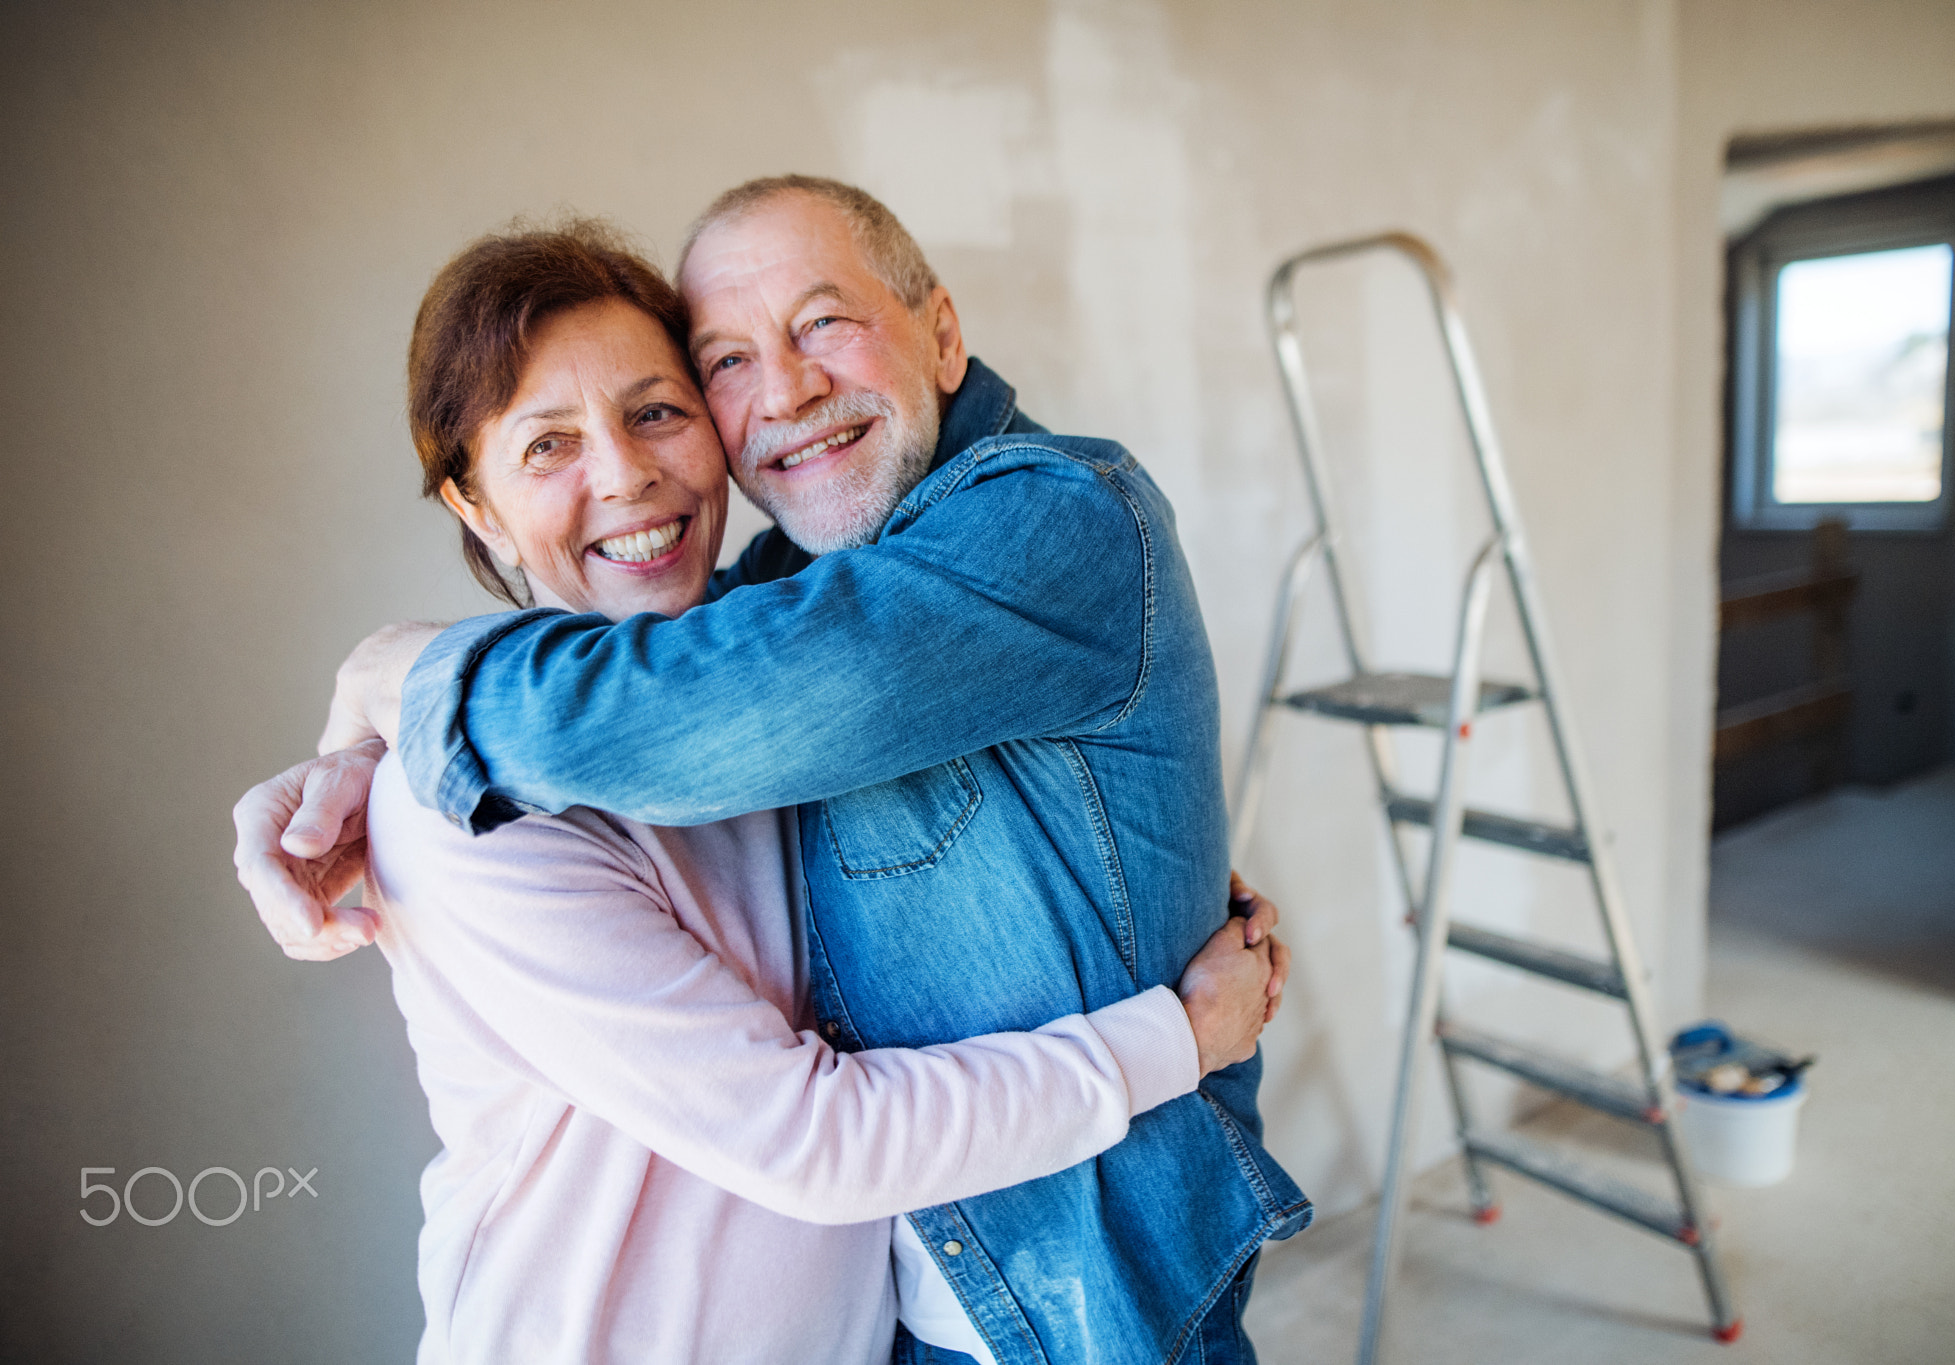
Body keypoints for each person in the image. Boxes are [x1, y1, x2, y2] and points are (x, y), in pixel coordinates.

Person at [237, 177, 1311, 1365]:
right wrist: (1173, 1029)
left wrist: (407, 672)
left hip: (1060, 1316)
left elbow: (737, 698)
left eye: (821, 324)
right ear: (473, 505)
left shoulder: (1042, 519)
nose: (785, 390)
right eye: (731, 361)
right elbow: (815, 1134)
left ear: (943, 335)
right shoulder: (503, 783)